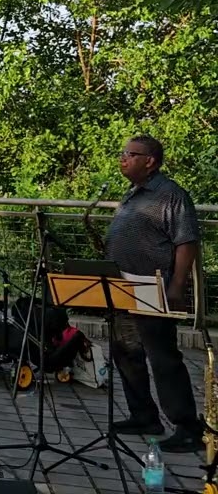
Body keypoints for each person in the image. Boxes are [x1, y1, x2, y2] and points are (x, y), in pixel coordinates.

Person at [103, 135, 204, 452]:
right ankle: (144, 416)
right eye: (122, 153)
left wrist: (176, 286)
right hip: (123, 288)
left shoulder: (170, 194)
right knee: (126, 353)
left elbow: (186, 241)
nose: (123, 158)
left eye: (130, 154)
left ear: (150, 161)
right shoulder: (132, 194)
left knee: (163, 359)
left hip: (152, 288)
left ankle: (187, 427)